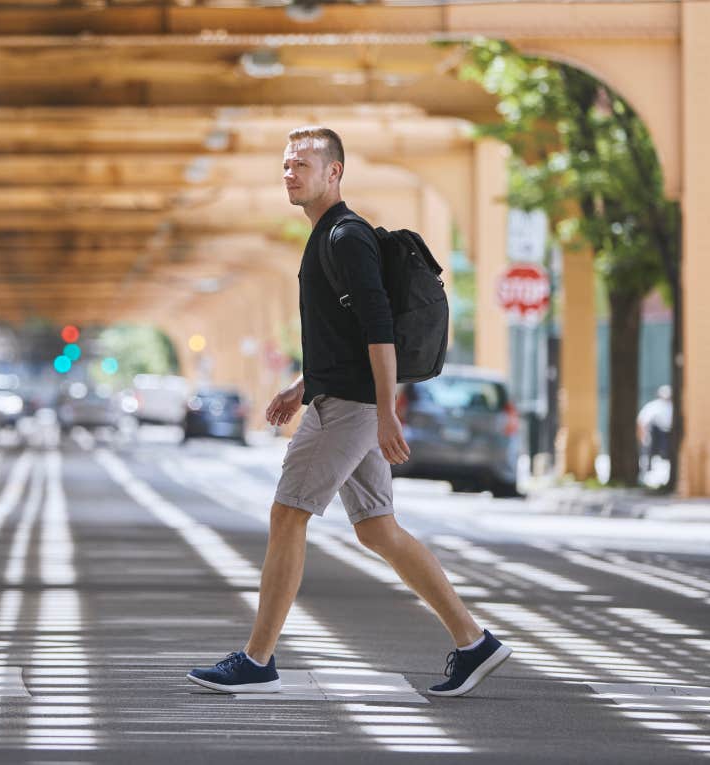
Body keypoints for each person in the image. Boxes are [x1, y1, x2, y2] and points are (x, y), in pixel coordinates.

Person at [186, 127, 511, 698]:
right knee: (378, 530)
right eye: (286, 164)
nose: (291, 173)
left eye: (304, 164)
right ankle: (474, 641)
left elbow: (378, 326)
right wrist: (299, 384)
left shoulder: (345, 236)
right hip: (340, 397)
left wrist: (386, 411)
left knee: (288, 516)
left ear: (334, 171)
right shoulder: (325, 237)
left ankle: (258, 660)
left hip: (350, 408)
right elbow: (344, 334)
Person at [637, 384, 673, 471]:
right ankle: (648, 469)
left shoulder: (672, 406)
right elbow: (643, 420)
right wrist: (643, 435)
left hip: (669, 433)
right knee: (650, 451)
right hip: (656, 433)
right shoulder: (654, 406)